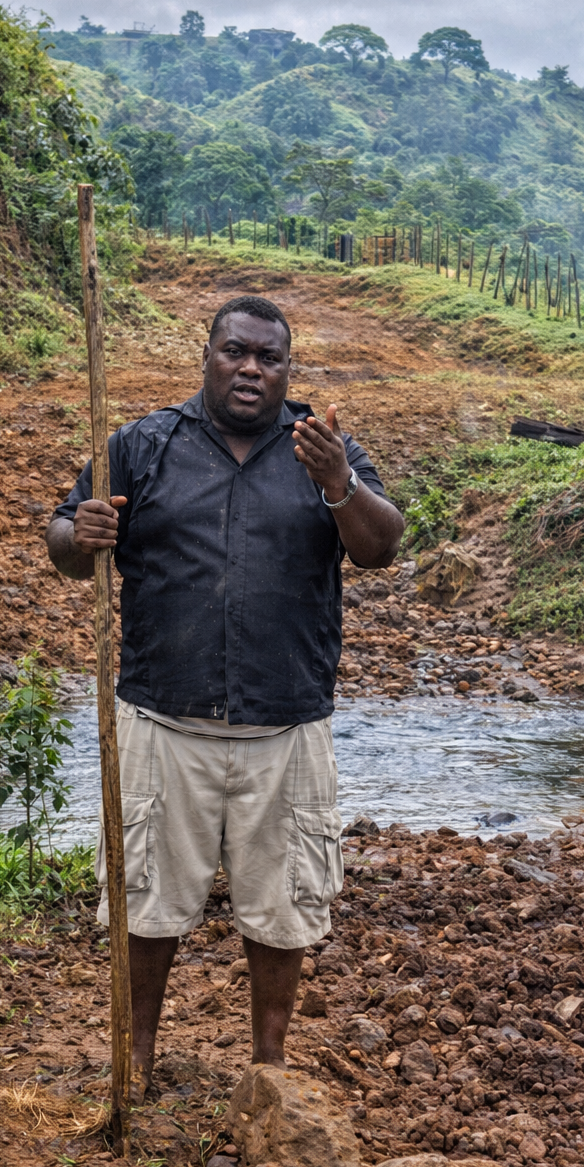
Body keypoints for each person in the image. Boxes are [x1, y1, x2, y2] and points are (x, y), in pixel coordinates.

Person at [46, 295, 404, 1096]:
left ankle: (269, 1068)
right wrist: (86, 535)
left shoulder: (323, 449)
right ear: (207, 356)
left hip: (285, 723)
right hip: (161, 717)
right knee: (147, 898)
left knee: (283, 908)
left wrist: (340, 483)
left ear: (287, 369)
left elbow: (380, 548)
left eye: (268, 358)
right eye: (235, 352)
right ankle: (135, 1058)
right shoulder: (142, 445)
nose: (250, 369)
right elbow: (65, 540)